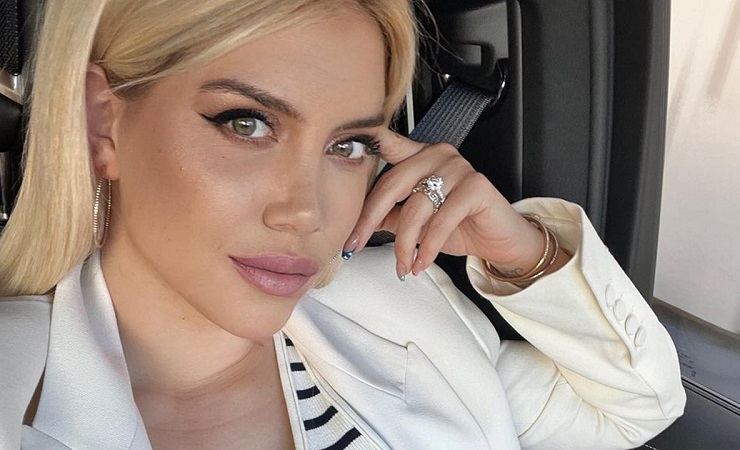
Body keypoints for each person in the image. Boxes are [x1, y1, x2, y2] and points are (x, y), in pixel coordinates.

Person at [0, 1, 686, 449]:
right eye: (247, 124)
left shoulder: (399, 312)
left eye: (348, 145)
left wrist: (525, 256)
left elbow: (633, 408)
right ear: (103, 124)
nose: (307, 212)